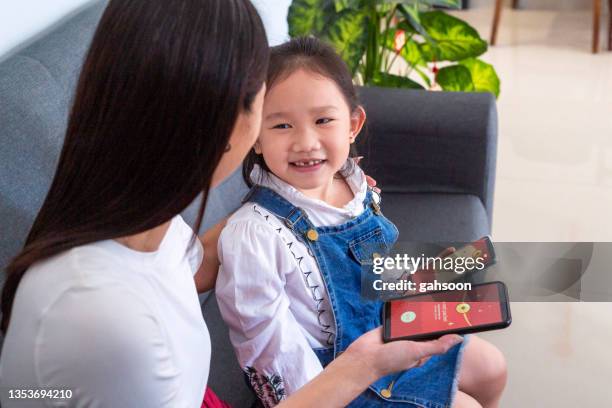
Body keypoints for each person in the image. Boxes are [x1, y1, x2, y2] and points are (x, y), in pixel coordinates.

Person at [0, 1, 463, 407]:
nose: (301, 139)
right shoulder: (112, 328)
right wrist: (362, 364)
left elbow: (41, 392)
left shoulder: (148, 224)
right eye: (269, 112)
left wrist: (309, 218)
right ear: (234, 128)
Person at [215, 37, 507, 407]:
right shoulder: (253, 235)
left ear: (352, 125)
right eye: (282, 126)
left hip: (388, 327)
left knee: (492, 366)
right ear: (254, 136)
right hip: (331, 380)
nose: (306, 142)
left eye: (323, 120)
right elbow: (270, 355)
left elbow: (367, 275)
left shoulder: (353, 184)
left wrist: (418, 279)